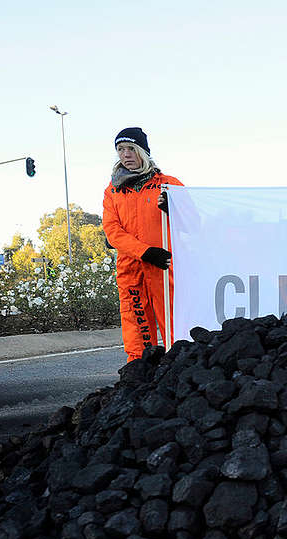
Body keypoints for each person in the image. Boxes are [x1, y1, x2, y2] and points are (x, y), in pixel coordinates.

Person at [101, 127, 184, 363]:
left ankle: (177, 370)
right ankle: (138, 375)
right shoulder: (113, 191)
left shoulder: (168, 185)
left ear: (142, 151)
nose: (125, 154)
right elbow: (112, 231)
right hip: (132, 268)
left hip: (164, 267)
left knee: (174, 324)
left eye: (130, 148)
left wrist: (176, 209)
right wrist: (144, 252)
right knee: (137, 332)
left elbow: (193, 223)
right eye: (120, 149)